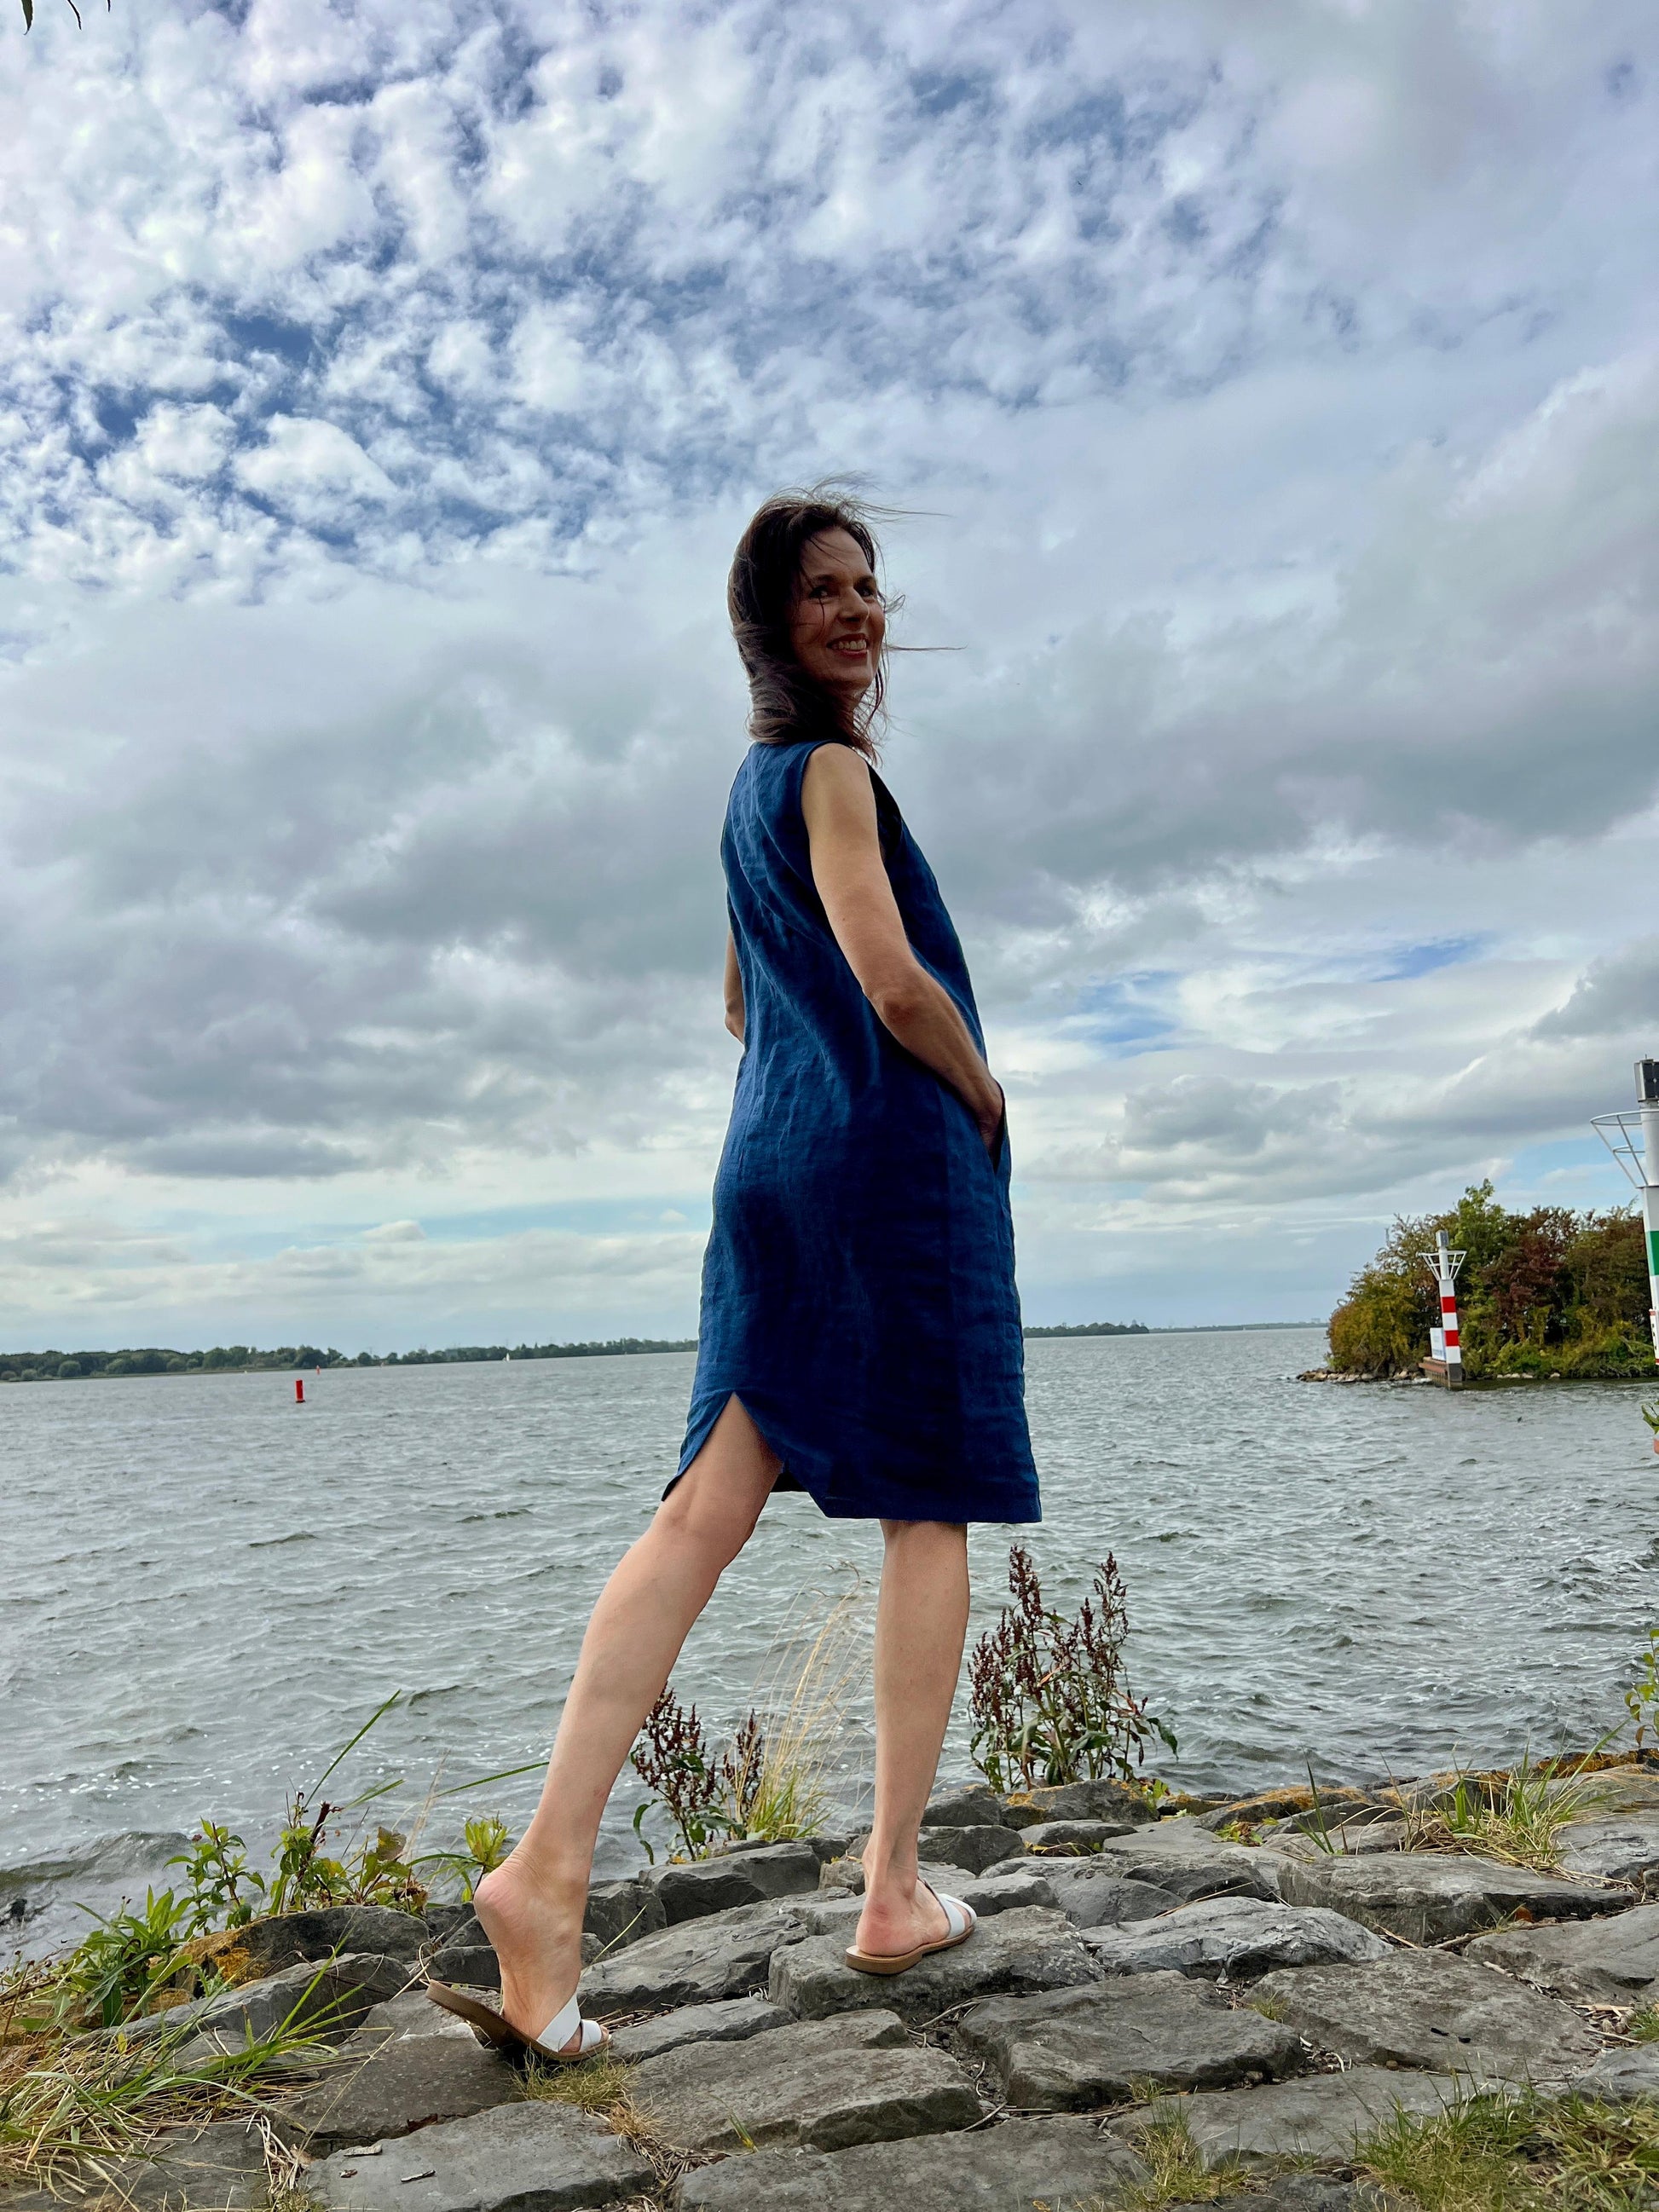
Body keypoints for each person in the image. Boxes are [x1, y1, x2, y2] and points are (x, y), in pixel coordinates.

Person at [428, 490, 1040, 2063]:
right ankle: (891, 1889)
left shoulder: (743, 797)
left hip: (768, 1158)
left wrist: (812, 1071)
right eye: (824, 589)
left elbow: (736, 1005)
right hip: (884, 1170)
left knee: (704, 1508)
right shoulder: (832, 774)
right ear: (766, 622)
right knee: (929, 1503)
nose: (859, 609)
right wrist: (979, 1089)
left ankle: (544, 1872)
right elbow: (885, 976)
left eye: (869, 585)